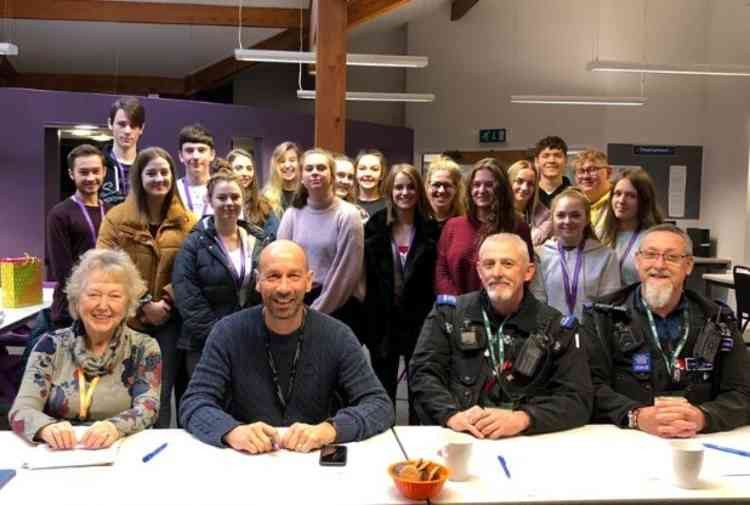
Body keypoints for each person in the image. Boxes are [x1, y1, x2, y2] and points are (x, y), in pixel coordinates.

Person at [179, 240, 394, 453]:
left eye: (293, 276)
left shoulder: (338, 335)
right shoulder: (227, 333)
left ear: (309, 282)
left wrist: (330, 430)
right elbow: (195, 402)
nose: (284, 288)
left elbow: (380, 405)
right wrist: (232, 431)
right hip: (247, 460)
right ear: (257, 282)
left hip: (314, 461)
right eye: (273, 276)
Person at [410, 233, 592, 438]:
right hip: (460, 437)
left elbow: (577, 399)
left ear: (528, 272)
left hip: (527, 441)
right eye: (489, 264)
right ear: (479, 271)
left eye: (507, 264)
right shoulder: (448, 315)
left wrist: (523, 419)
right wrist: (451, 415)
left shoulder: (557, 329)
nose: (497, 272)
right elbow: (423, 374)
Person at [583, 224, 750, 436]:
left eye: (671, 257)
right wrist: (636, 416)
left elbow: (743, 391)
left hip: (697, 439)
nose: (659, 265)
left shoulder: (718, 319)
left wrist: (703, 417)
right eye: (650, 255)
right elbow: (589, 387)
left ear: (688, 265)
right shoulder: (601, 316)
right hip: (626, 437)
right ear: (638, 261)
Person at [9, 249, 161, 449]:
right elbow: (22, 408)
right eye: (93, 294)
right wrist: (45, 428)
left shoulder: (144, 347)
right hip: (60, 452)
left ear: (128, 304)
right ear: (77, 300)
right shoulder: (51, 345)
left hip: (120, 449)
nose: (103, 305)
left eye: (115, 296)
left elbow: (148, 407)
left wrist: (115, 427)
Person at [97, 147, 196, 428]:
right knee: (128, 394)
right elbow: (106, 263)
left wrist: (166, 300)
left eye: (164, 172)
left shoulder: (187, 221)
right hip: (128, 319)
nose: (158, 178)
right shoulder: (116, 219)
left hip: (170, 319)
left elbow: (193, 268)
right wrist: (143, 303)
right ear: (139, 177)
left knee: (161, 394)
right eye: (151, 173)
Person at [173, 170, 271, 377]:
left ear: (243, 199)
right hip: (205, 343)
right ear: (209, 200)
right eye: (222, 197)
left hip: (250, 338)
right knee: (208, 403)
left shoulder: (260, 241)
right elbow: (188, 297)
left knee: (245, 404)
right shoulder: (193, 244)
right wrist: (220, 335)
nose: (229, 203)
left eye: (235, 197)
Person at [363, 164, 439, 423]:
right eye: (399, 187)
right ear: (389, 190)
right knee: (383, 390)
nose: (405, 192)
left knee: (420, 389)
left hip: (419, 322)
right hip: (382, 323)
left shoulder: (432, 230)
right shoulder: (374, 227)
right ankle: (384, 437)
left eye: (410, 187)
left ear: (419, 191)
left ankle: (419, 444)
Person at [277, 148, 364, 325]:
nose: (315, 172)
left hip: (337, 303)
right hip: (297, 300)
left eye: (321, 168)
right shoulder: (292, 214)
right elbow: (281, 262)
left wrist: (317, 310)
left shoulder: (348, 215)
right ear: (301, 177)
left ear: (332, 175)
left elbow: (347, 272)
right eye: (309, 169)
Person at [435, 158, 534, 296]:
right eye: (476, 184)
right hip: (457, 311)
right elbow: (441, 271)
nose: (481, 190)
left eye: (489, 185)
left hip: (501, 311)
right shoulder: (453, 226)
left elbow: (524, 274)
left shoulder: (517, 228)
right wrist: (460, 305)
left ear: (501, 188)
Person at [531, 188, 620, 320]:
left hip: (592, 334)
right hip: (551, 333)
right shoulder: (540, 255)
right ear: (552, 219)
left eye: (575, 215)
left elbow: (608, 303)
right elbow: (538, 301)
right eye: (561, 215)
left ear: (587, 218)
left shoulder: (606, 256)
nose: (567, 221)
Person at [47, 144, 108, 329]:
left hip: (106, 306)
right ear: (72, 174)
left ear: (104, 171)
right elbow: (63, 270)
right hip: (71, 310)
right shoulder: (59, 214)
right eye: (83, 172)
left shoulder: (112, 212)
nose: (90, 178)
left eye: (95, 171)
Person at [600, 168, 663, 285]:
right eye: (617, 194)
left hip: (636, 302)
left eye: (631, 196)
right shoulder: (603, 235)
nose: (621, 200)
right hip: (606, 302)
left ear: (643, 201)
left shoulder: (653, 239)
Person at [100, 96, 145, 206]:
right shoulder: (98, 165)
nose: (127, 131)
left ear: (142, 128)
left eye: (133, 125)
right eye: (122, 124)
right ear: (110, 123)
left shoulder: (149, 166)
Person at [227, 148, 279, 237]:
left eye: (249, 168)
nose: (245, 173)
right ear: (228, 170)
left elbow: (274, 236)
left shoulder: (263, 205)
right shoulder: (221, 203)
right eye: (239, 168)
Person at [175, 123, 216, 219]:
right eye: (189, 151)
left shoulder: (222, 190)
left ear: (212, 155)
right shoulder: (173, 191)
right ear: (181, 156)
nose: (195, 156)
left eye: (201, 150)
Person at [508, 159, 552, 246]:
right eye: (519, 181)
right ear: (509, 182)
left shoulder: (545, 217)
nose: (524, 188)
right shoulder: (495, 213)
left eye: (530, 184)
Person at [573, 149, 612, 239]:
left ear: (609, 173)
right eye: (581, 171)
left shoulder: (619, 203)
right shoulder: (573, 204)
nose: (586, 176)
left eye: (592, 170)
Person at [424, 155, 465, 230]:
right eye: (436, 185)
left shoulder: (464, 222)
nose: (441, 190)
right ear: (428, 186)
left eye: (447, 185)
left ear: (456, 188)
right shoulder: (418, 221)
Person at [262, 141, 302, 214]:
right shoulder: (265, 198)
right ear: (275, 165)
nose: (287, 165)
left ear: (299, 163)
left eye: (292, 160)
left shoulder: (308, 195)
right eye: (282, 161)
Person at [535, 136, 571, 209]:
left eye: (557, 155)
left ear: (566, 160)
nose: (551, 160)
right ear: (536, 161)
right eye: (546, 156)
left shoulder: (575, 194)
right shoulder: (529, 194)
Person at [354, 149, 388, 221]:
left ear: (382, 174)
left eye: (374, 169)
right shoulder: (346, 204)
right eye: (362, 168)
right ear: (355, 173)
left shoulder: (389, 206)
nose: (368, 174)